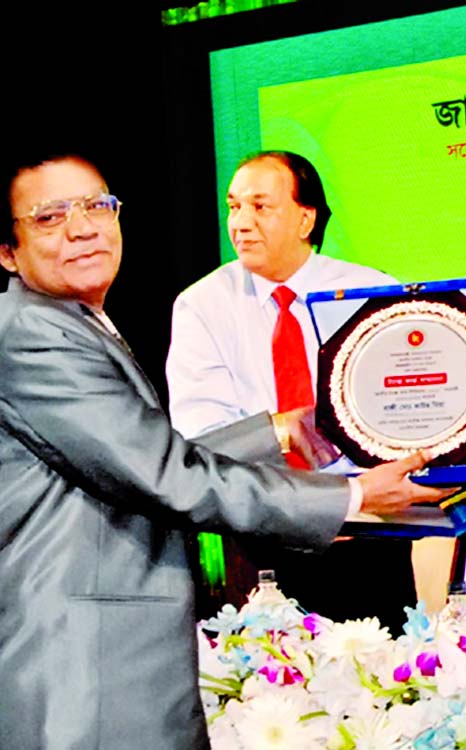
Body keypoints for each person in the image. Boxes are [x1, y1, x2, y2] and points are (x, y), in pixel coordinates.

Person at [0, 151, 446, 750]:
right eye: (49, 218)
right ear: (6, 249)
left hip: (96, 662)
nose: (82, 227)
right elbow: (162, 474)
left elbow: (140, 457)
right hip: (68, 668)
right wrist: (353, 493)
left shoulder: (69, 321)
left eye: (97, 205)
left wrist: (280, 433)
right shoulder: (36, 335)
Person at [166, 151, 417, 630]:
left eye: (260, 207)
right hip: (264, 540)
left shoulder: (374, 292)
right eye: (233, 206)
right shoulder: (202, 306)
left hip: (369, 536)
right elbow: (202, 438)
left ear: (306, 218)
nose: (240, 222)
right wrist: (281, 432)